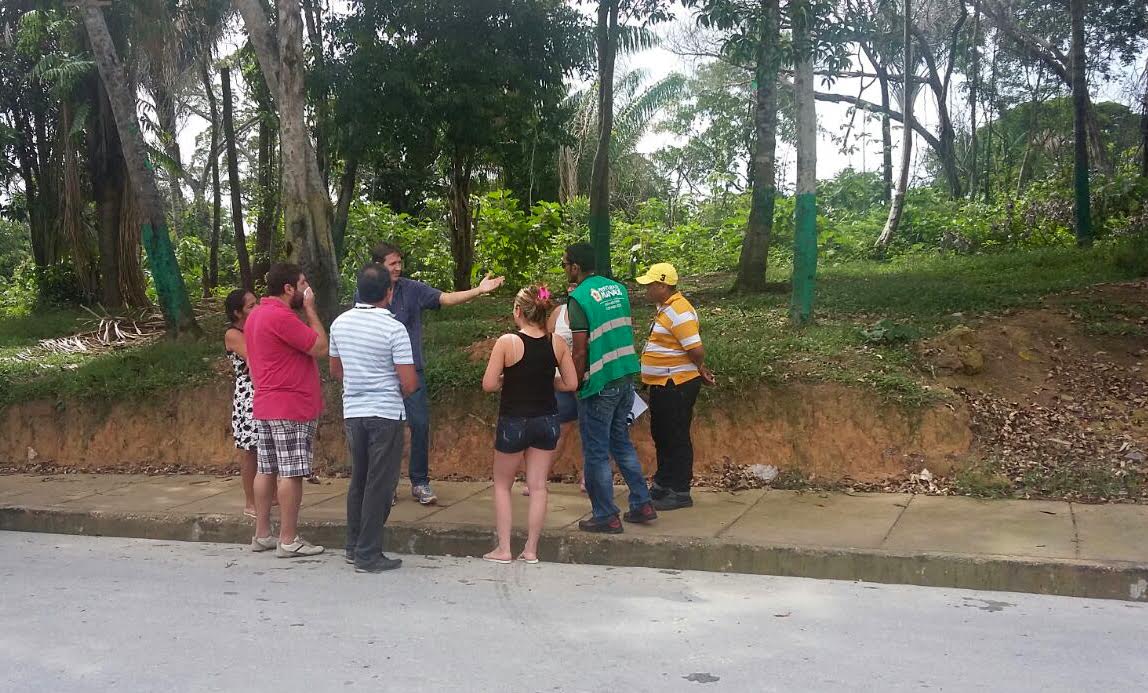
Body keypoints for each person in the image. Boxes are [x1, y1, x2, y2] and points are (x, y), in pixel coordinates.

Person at [367, 242, 505, 506]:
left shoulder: (412, 289)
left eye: (399, 262)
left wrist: (478, 290)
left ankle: (420, 483)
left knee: (419, 424)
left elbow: (445, 298)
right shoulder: (367, 292)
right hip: (381, 374)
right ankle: (387, 484)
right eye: (392, 263)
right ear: (377, 266)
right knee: (386, 430)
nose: (398, 267)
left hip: (412, 371)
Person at [562, 243, 657, 533]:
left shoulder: (578, 298)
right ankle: (642, 503)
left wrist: (575, 383)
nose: (564, 268)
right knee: (621, 443)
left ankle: (605, 514)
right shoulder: (618, 289)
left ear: (576, 267)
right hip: (625, 375)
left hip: (600, 382)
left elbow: (579, 351)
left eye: (565, 264)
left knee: (596, 451)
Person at [330, 263, 418, 573]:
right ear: (389, 292)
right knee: (380, 484)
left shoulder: (339, 324)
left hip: (353, 412)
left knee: (360, 479)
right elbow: (408, 382)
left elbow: (336, 370)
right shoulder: (394, 329)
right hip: (385, 412)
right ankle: (368, 552)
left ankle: (354, 547)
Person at [481, 285, 578, 563]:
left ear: (518, 311)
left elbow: (488, 384)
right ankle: (531, 549)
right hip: (547, 420)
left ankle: (503, 548)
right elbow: (570, 383)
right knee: (538, 486)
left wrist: (506, 380)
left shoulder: (507, 342)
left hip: (514, 421)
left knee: (502, 485)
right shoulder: (556, 342)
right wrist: (549, 380)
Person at [244, 263, 328, 558]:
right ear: (289, 288)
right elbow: (320, 347)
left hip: (266, 403)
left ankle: (263, 534)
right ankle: (289, 538)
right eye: (303, 283)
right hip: (290, 405)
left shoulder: (255, 315)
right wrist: (311, 310)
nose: (307, 289)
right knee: (291, 473)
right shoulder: (281, 316)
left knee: (266, 469)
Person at [636, 263, 715, 511]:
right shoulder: (666, 308)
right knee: (662, 434)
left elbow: (696, 348)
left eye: (650, 285)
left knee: (676, 436)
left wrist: (698, 366)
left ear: (663, 285)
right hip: (664, 383)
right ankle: (663, 483)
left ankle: (679, 490)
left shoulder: (678, 310)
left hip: (676, 384)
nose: (646, 290)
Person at [224, 289, 259, 517]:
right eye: (250, 306)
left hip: (265, 389)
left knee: (268, 447)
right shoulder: (233, 334)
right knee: (249, 451)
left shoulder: (257, 328)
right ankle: (250, 502)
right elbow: (255, 356)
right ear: (237, 313)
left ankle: (271, 495)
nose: (256, 309)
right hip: (248, 396)